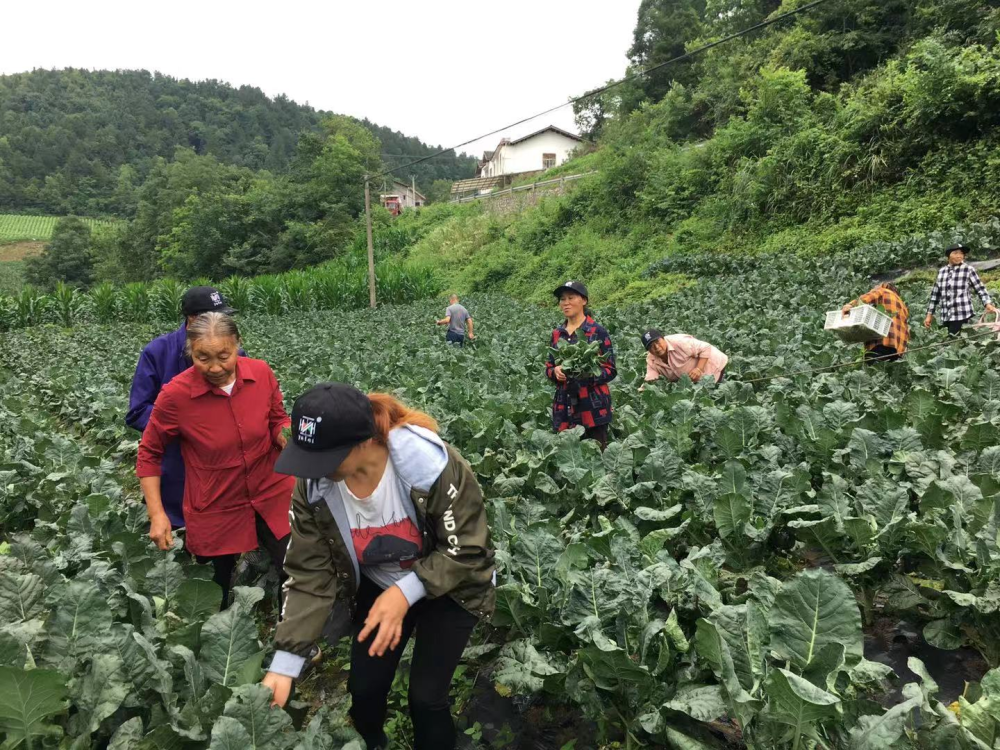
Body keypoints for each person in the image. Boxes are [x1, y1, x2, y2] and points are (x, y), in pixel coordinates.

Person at [261, 384, 495, 750]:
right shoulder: (314, 486)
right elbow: (309, 573)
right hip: (378, 583)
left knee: (426, 697)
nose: (312, 472)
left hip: (451, 585)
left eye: (323, 459)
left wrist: (405, 593)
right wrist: (286, 660)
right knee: (364, 689)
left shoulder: (430, 466)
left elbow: (467, 548)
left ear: (363, 443)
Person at [135, 312, 293, 608]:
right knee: (215, 583)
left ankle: (295, 641)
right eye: (202, 358)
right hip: (215, 500)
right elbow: (149, 452)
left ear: (238, 345)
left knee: (295, 567)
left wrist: (283, 434)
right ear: (190, 352)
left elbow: (277, 417)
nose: (215, 367)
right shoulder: (175, 396)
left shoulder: (261, 373)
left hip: (271, 489)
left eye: (224, 355)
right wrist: (157, 514)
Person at [126, 286, 237, 528]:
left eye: (224, 317)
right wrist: (184, 426)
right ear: (193, 319)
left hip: (222, 463)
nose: (222, 322)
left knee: (222, 534)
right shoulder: (157, 352)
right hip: (175, 463)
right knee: (178, 534)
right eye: (214, 317)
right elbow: (137, 411)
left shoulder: (235, 354)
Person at [546, 280, 616, 449]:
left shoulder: (597, 331)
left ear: (584, 300)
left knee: (596, 454)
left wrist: (588, 373)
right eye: (562, 299)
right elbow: (548, 367)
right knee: (568, 455)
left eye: (571, 297)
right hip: (564, 405)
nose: (566, 303)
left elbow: (610, 369)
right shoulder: (557, 334)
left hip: (592, 406)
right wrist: (555, 372)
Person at [925, 244, 996, 336]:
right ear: (948, 255)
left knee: (952, 341)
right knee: (950, 344)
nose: (959, 256)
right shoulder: (942, 272)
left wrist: (987, 304)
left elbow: (980, 288)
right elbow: (935, 296)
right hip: (946, 316)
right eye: (955, 253)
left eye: (961, 253)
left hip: (962, 314)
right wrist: (929, 315)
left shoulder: (968, 270)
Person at [841, 282, 910, 364]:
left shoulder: (883, 291)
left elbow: (866, 298)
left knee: (874, 373)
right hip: (898, 350)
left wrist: (850, 305)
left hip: (880, 344)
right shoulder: (903, 306)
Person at [641, 329, 728, 384]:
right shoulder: (651, 360)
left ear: (663, 338)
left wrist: (698, 369)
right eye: (651, 346)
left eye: (657, 342)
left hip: (714, 366)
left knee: (713, 395)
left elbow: (705, 348)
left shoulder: (679, 342)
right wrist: (644, 389)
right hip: (692, 381)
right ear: (649, 350)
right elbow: (650, 379)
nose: (656, 347)